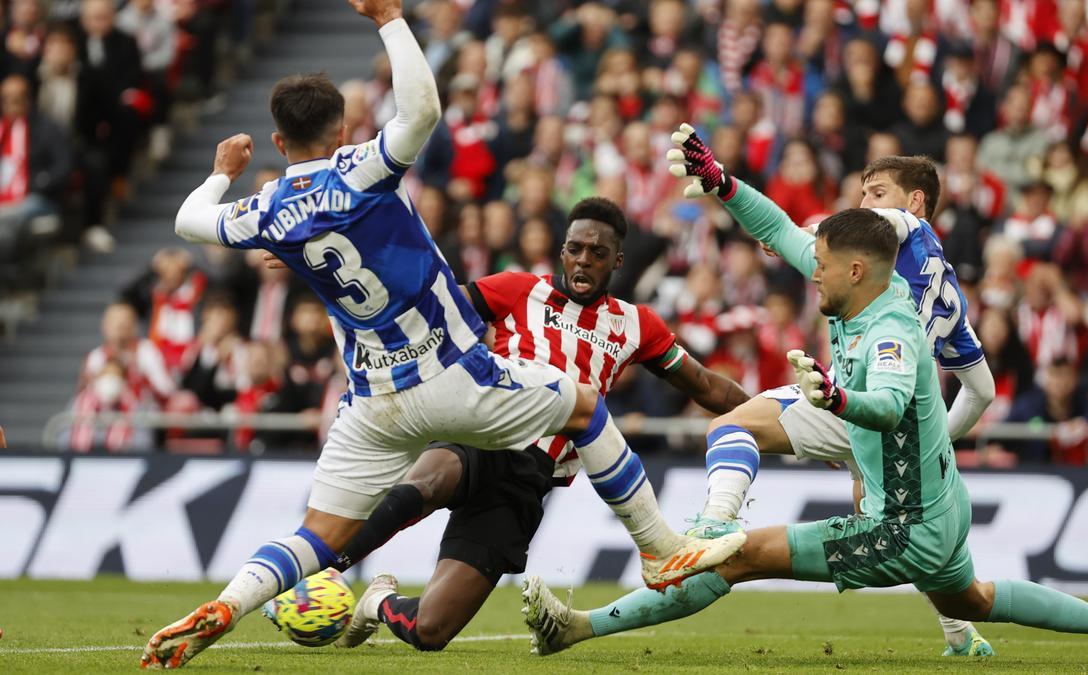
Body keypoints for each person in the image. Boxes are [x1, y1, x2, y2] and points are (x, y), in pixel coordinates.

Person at [140, 2, 743, 669]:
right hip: (450, 374)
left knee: (316, 537)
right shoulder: (359, 169)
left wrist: (224, 169)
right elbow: (421, 111)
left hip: (372, 400)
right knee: (580, 405)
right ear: (342, 128)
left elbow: (192, 219)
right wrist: (391, 19)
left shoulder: (267, 210)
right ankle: (657, 547)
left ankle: (227, 604)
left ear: (278, 144)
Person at [523, 193, 1088, 667]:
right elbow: (779, 228)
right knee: (977, 598)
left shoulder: (893, 329)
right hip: (943, 506)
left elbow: (890, 404)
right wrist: (725, 184)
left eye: (821, 262)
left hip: (903, 525)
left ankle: (579, 627)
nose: (810, 268)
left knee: (738, 558)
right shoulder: (860, 292)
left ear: (857, 268)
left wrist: (838, 397)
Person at [290, 196, 752, 652]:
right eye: (575, 248)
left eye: (598, 252)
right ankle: (320, 566)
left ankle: (377, 602)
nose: (584, 260)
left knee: (431, 631)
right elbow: (434, 311)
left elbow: (708, 388)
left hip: (529, 481)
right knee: (430, 482)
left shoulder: (637, 324)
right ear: (562, 251)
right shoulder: (518, 289)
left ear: (617, 260)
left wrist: (773, 417)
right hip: (484, 430)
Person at [669, 136, 996, 654]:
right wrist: (939, 441)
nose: (866, 205)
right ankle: (960, 633)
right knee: (896, 533)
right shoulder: (948, 290)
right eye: (862, 193)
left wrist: (745, 196)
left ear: (914, 201)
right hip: (898, 428)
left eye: (877, 193)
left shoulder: (904, 230)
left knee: (735, 426)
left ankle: (715, 523)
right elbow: (982, 390)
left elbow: (798, 228)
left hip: (858, 401)